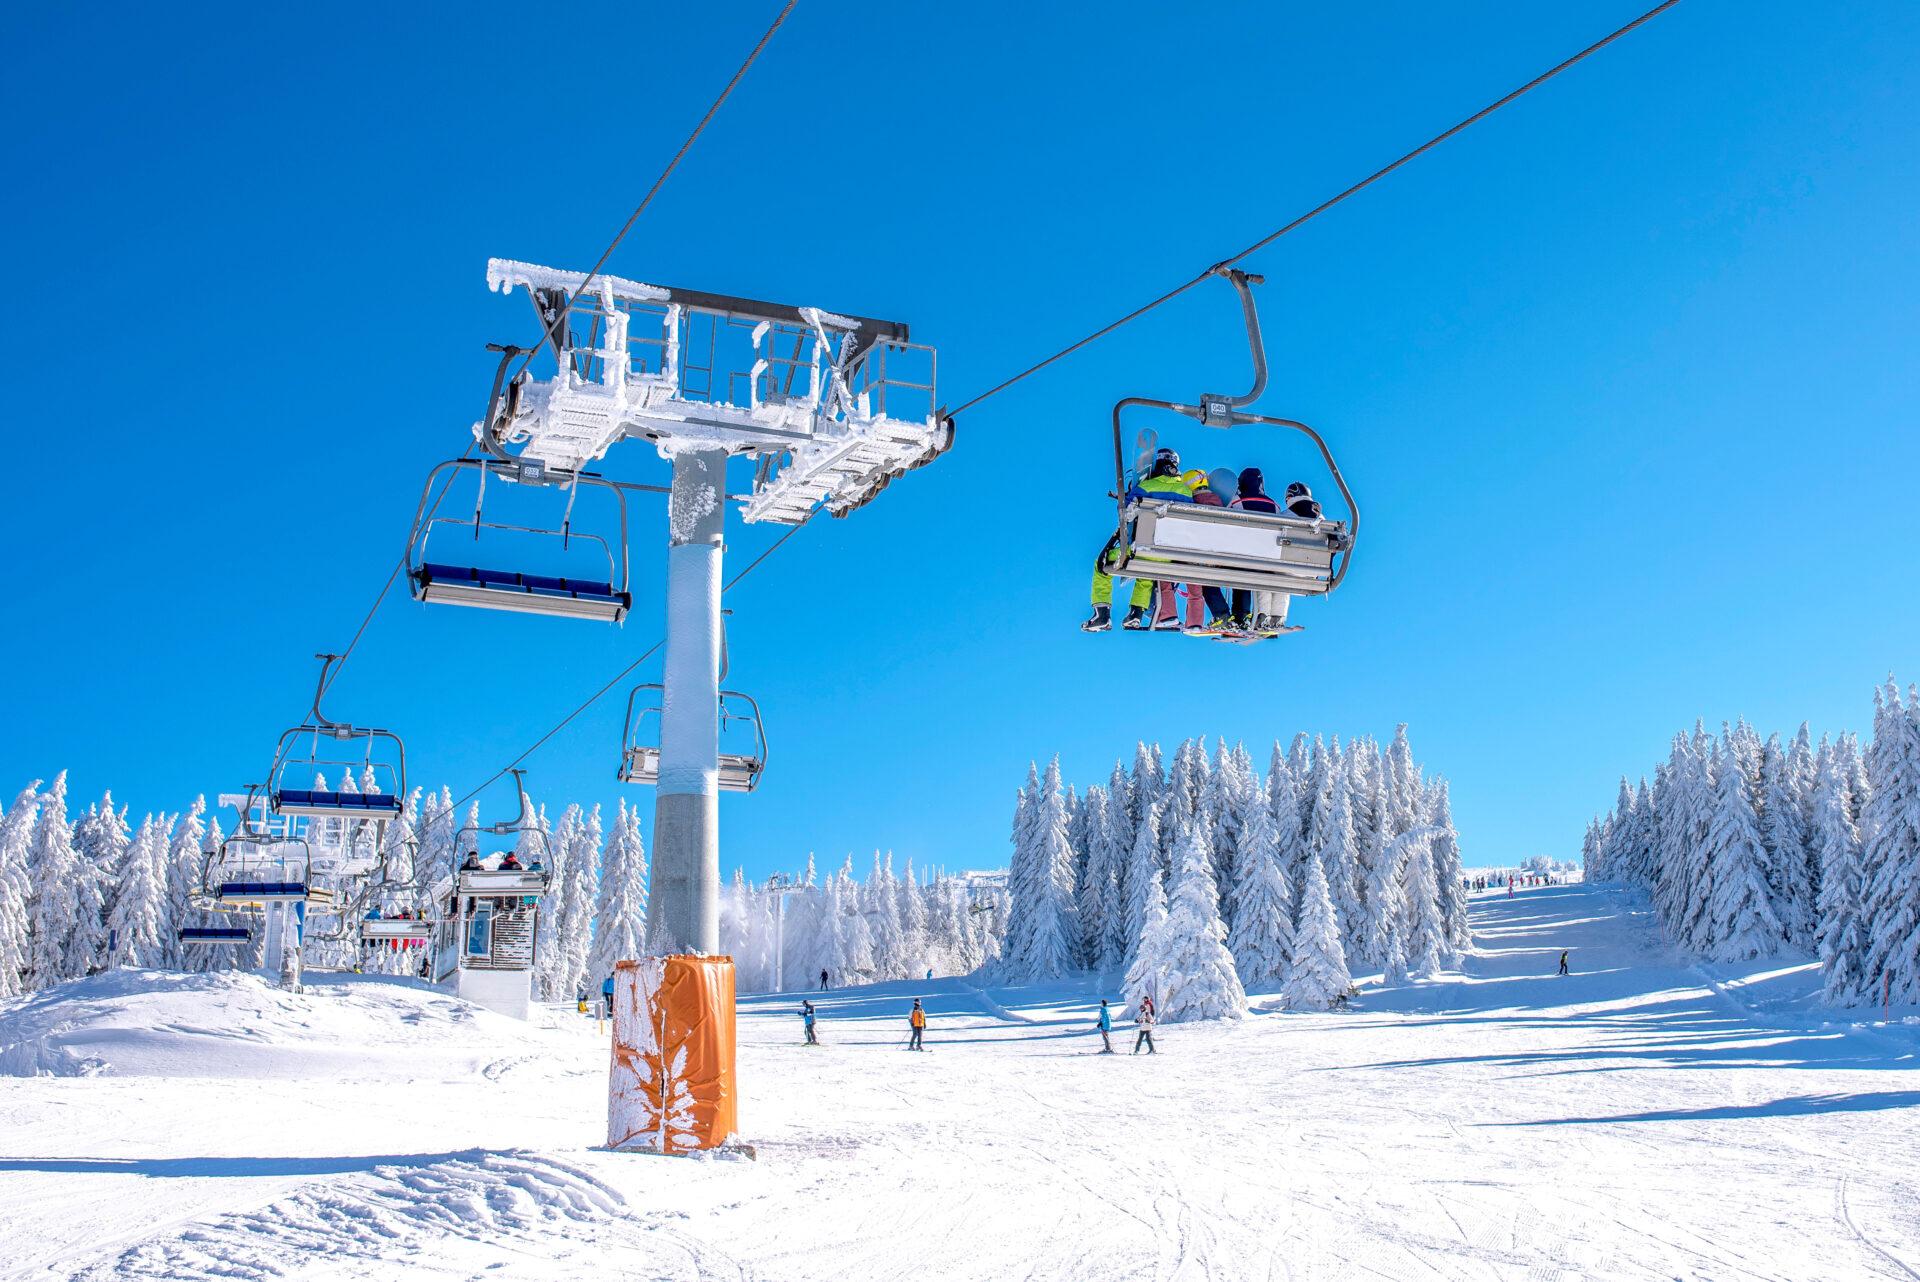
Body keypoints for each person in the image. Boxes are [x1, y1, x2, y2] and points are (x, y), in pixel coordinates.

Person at [1086, 448, 1194, 633]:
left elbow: (1126, 513)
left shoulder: (1146, 487)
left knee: (1100, 565)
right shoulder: (1186, 492)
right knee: (1146, 573)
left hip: (1143, 550)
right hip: (1169, 556)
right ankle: (1135, 614)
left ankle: (1102, 614)